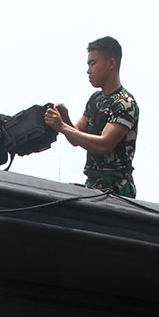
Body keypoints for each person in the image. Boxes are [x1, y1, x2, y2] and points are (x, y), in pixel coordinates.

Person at [45, 36, 139, 198]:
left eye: (93, 63)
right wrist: (65, 119)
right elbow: (76, 139)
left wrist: (62, 126)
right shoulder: (95, 100)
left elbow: (103, 145)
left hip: (117, 189)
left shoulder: (124, 103)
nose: (89, 71)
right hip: (93, 185)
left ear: (111, 63)